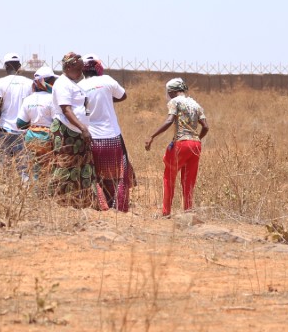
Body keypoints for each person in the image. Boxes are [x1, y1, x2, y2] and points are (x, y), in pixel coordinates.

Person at [145, 78, 209, 216]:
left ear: (172, 91)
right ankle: (188, 212)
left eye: (169, 92)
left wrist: (152, 136)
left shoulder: (175, 102)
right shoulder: (196, 104)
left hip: (181, 143)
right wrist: (196, 139)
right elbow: (206, 126)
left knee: (169, 176)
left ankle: (166, 212)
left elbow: (169, 121)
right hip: (196, 145)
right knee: (189, 180)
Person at [79, 56, 135, 211]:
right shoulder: (108, 80)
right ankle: (120, 207)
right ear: (98, 67)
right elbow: (123, 95)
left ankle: (102, 206)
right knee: (120, 172)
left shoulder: (80, 86)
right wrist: (106, 99)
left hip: (93, 138)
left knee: (95, 173)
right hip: (113, 137)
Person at [48, 52, 102, 208]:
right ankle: (61, 204)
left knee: (82, 168)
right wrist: (83, 128)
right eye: (78, 69)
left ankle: (82, 203)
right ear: (69, 67)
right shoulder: (62, 83)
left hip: (77, 132)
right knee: (66, 167)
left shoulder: (73, 84)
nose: (81, 72)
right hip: (66, 132)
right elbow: (66, 110)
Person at [0, 54, 34, 164]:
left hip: (5, 132)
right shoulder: (29, 83)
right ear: (19, 66)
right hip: (24, 132)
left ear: (6, 66)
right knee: (23, 169)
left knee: (4, 170)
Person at [15, 66, 56, 178]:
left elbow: (20, 124)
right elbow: (57, 122)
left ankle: (35, 193)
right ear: (49, 82)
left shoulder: (28, 99)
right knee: (49, 170)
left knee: (35, 170)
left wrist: (34, 124)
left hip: (31, 137)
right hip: (48, 138)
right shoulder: (52, 99)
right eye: (53, 80)